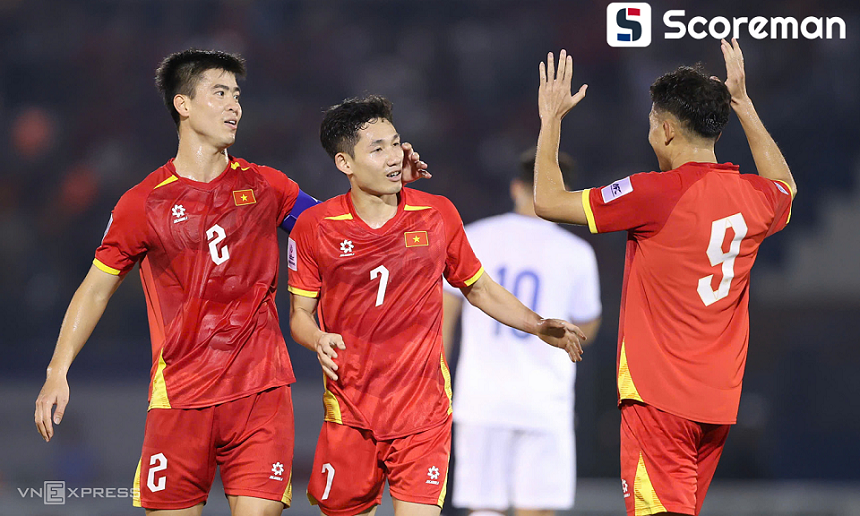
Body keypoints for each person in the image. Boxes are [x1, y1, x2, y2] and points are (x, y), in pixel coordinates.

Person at [33, 49, 427, 516]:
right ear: (183, 104)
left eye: (237, 95)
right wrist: (57, 370)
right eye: (219, 94)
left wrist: (386, 187)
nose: (234, 106)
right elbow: (96, 289)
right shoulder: (143, 203)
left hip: (261, 392)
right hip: (181, 396)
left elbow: (342, 231)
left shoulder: (267, 186)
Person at [287, 95, 586, 516]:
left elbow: (479, 289)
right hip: (350, 410)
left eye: (396, 143)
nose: (394, 157)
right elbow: (299, 315)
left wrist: (536, 324)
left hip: (423, 413)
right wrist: (317, 338)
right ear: (344, 163)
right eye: (377, 149)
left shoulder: (437, 214)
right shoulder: (315, 227)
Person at [532, 39, 796, 516]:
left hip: (658, 399)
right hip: (716, 404)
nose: (650, 134)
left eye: (652, 124)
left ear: (668, 130)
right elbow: (786, 188)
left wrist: (550, 120)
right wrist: (743, 102)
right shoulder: (756, 197)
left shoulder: (654, 193)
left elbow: (548, 201)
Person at [441, 148, 602, 516]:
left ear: (516, 187)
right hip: (543, 400)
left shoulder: (474, 236)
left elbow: (443, 317)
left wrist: (439, 384)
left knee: (483, 508)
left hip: (480, 397)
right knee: (537, 509)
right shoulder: (576, 252)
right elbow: (586, 329)